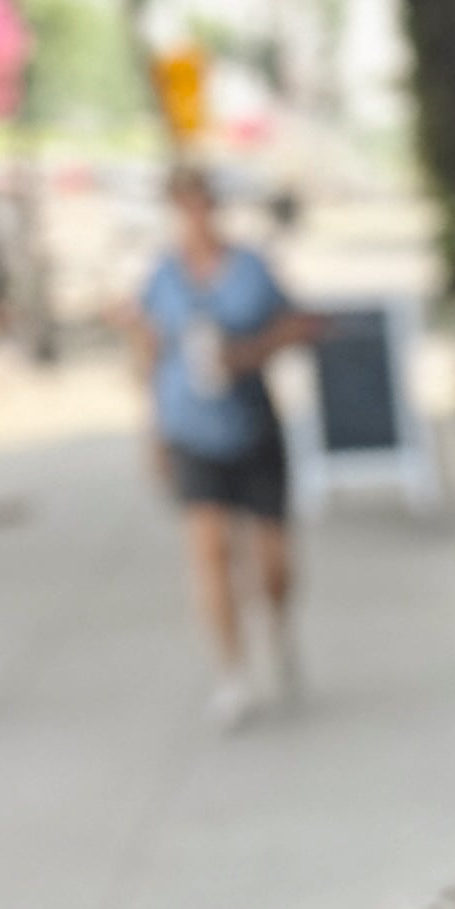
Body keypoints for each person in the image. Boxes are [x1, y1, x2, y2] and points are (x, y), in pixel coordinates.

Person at [129, 165, 311, 725]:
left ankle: (276, 633)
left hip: (251, 422)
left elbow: (295, 322)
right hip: (190, 428)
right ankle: (232, 673)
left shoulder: (250, 267)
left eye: (201, 203)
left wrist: (250, 354)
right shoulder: (161, 275)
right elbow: (147, 350)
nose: (194, 215)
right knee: (208, 551)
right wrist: (152, 428)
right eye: (184, 205)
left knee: (271, 559)